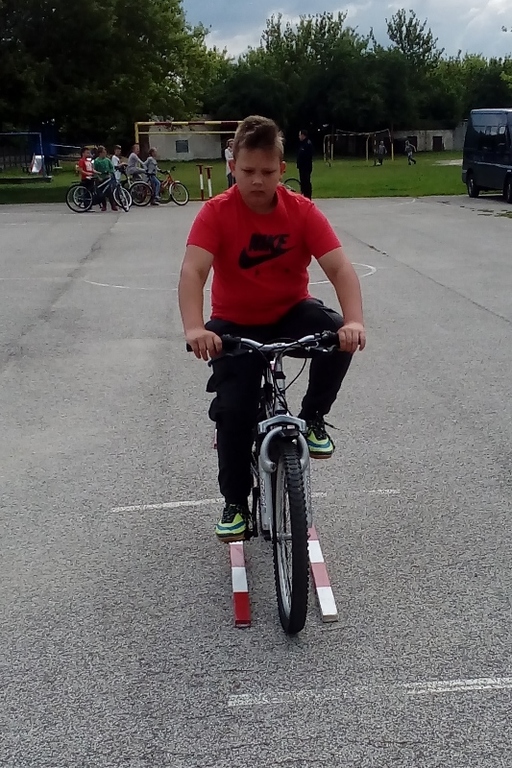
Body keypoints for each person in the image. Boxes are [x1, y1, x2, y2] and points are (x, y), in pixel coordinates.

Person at [178, 115, 366, 543]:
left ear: (282, 169)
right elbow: (193, 271)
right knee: (234, 410)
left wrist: (354, 321)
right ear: (232, 167)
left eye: (267, 171)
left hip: (289, 311)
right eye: (247, 171)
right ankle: (235, 503)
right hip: (235, 322)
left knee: (337, 335)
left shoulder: (302, 211)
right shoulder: (216, 212)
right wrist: (195, 328)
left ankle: (313, 417)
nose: (257, 181)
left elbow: (339, 268)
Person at [93, 145, 118, 211]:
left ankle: (113, 205)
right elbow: (94, 170)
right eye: (104, 152)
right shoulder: (97, 161)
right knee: (102, 193)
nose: (105, 153)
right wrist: (98, 177)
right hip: (100, 178)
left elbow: (111, 168)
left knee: (109, 192)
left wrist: (110, 173)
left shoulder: (107, 160)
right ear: (100, 153)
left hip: (107, 178)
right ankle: (104, 205)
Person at [297, 129, 313, 199]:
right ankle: (303, 195)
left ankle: (308, 196)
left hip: (306, 167)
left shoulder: (307, 144)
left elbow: (308, 156)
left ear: (303, 135)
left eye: (300, 135)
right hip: (302, 167)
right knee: (303, 182)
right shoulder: (302, 144)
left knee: (306, 182)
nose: (299, 137)